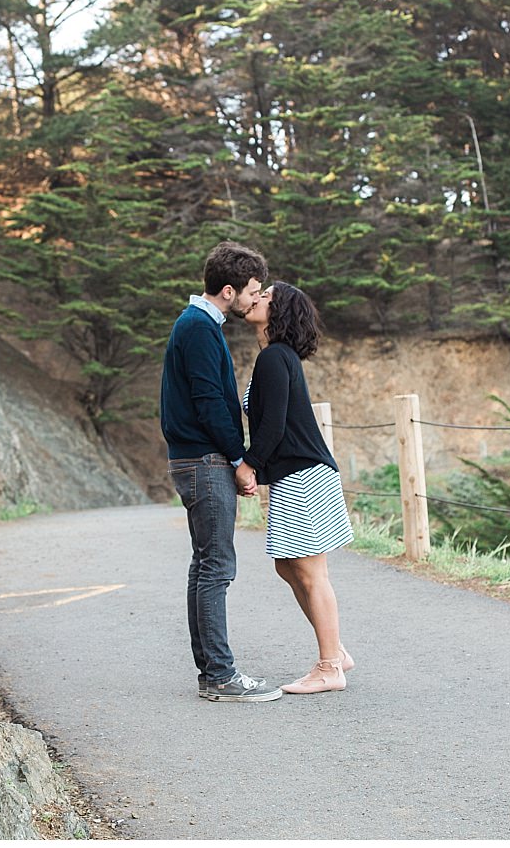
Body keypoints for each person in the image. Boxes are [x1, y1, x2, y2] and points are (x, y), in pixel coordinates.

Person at [160, 241, 281, 702]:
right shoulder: (197, 327)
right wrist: (239, 460)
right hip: (204, 460)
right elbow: (210, 403)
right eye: (252, 291)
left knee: (205, 565)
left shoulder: (196, 325)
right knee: (216, 567)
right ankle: (220, 675)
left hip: (197, 459)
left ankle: (212, 672)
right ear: (229, 291)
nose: (255, 298)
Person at [241, 282, 355, 694]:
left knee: (310, 571)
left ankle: (329, 668)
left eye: (266, 295)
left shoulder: (275, 357)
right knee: (288, 566)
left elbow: (273, 425)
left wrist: (249, 465)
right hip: (300, 473)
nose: (257, 297)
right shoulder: (276, 356)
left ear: (280, 310)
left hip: (305, 476)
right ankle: (336, 651)